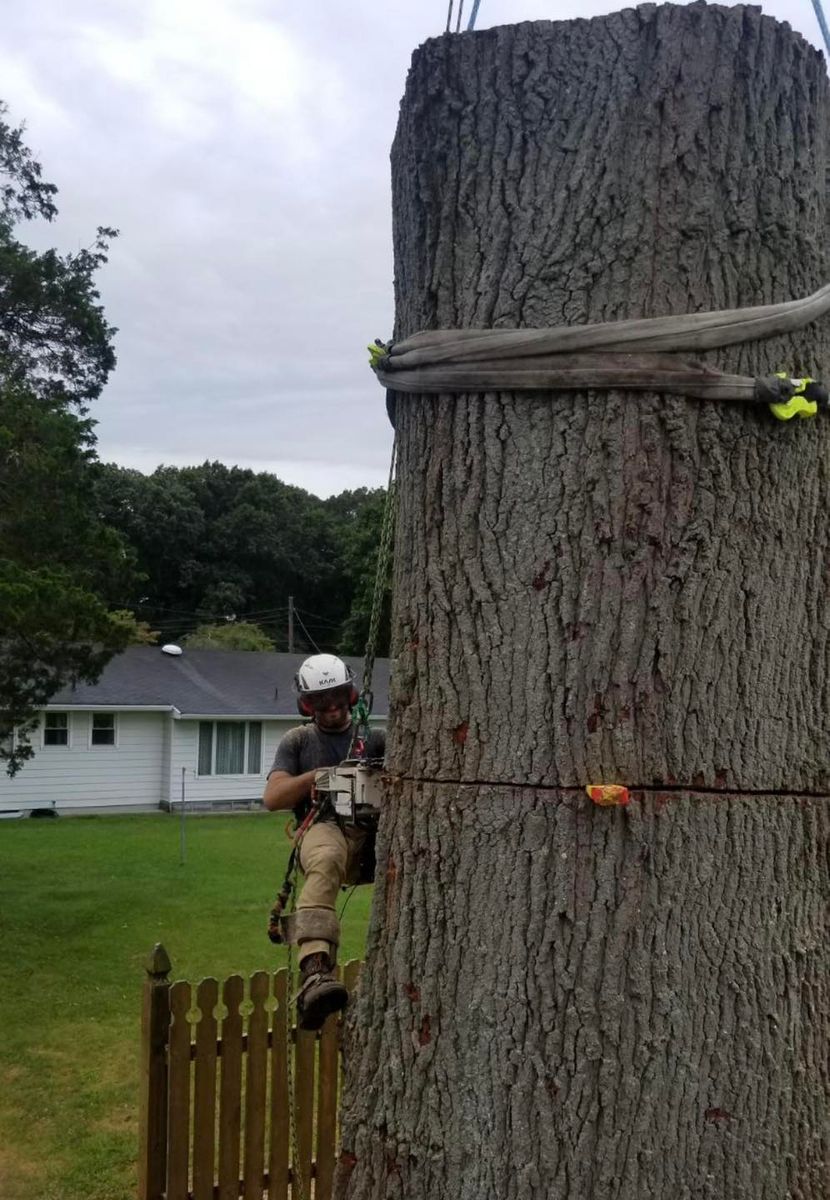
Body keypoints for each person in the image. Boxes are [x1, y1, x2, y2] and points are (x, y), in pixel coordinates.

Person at [263, 653, 385, 1030]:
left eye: (336, 696)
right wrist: (315, 777)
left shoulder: (374, 739)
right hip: (323, 825)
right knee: (328, 855)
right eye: (320, 700)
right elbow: (273, 797)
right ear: (306, 703)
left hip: (374, 829)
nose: (330, 707)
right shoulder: (298, 741)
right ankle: (315, 970)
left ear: (350, 694)